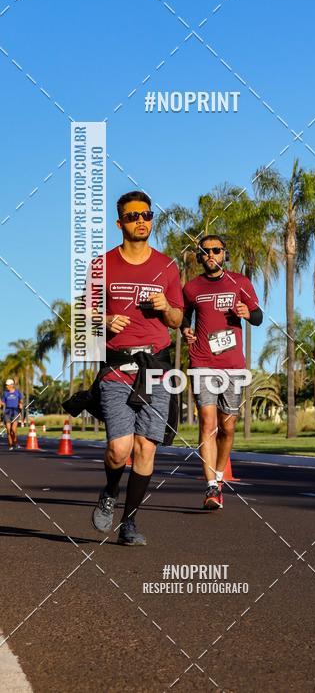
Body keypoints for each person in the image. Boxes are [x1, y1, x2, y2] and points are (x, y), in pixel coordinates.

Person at [91, 191, 183, 545]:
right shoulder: (101, 265)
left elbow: (177, 320)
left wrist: (166, 307)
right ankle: (110, 490)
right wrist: (105, 320)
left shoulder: (167, 266)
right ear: (120, 224)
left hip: (156, 366)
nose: (141, 221)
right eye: (132, 216)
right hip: (118, 366)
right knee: (120, 448)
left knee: (146, 447)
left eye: (146, 215)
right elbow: (86, 314)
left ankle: (129, 523)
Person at [182, 234, 262, 510]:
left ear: (224, 254)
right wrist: (185, 329)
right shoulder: (192, 287)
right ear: (199, 257)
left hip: (232, 365)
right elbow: (184, 315)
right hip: (202, 361)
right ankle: (211, 486)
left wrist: (247, 313)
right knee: (207, 422)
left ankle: (218, 476)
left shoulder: (240, 282)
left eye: (216, 250)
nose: (211, 255)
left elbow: (258, 316)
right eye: (205, 251)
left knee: (227, 427)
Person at [1, 379, 23, 450]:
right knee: (8, 430)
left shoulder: (18, 392)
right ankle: (10, 445)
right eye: (6, 385)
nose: (6, 386)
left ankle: (15, 443)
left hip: (15, 412)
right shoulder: (5, 393)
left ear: (12, 385)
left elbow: (21, 401)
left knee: (13, 429)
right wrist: (0, 403)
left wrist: (20, 404)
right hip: (7, 412)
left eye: (8, 385)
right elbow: (3, 403)